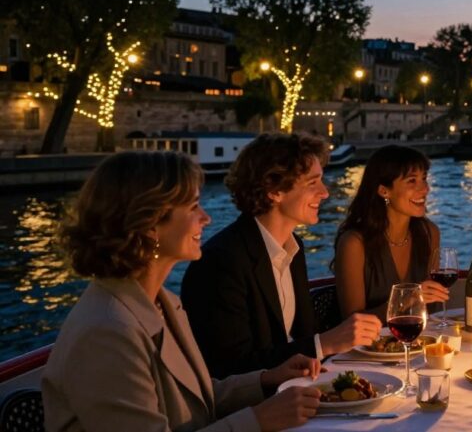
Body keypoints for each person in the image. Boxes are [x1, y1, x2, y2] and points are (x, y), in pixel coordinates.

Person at [42, 151, 321, 431]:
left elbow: (197, 398)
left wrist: (267, 378)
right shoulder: (106, 333)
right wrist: (259, 420)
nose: (206, 218)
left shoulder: (163, 304)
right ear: (150, 224)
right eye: (193, 207)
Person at [182, 133, 381, 379]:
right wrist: (323, 344)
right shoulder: (221, 262)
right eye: (313, 183)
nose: (325, 193)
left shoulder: (293, 246)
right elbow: (229, 368)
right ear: (274, 190)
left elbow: (299, 336)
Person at [332, 145, 447, 321]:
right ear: (384, 191)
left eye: (424, 179)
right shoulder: (354, 243)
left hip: (420, 341)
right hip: (369, 346)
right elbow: (352, 321)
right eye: (412, 181)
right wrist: (408, 299)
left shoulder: (429, 233)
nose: (425, 189)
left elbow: (433, 309)